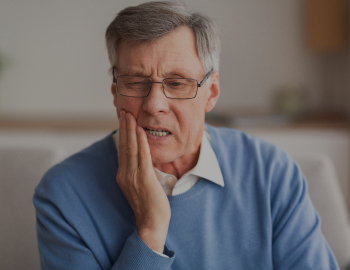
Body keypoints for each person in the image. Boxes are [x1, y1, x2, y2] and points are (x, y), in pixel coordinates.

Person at [33, 1, 340, 269]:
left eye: (177, 83)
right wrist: (151, 231)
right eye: (136, 82)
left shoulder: (272, 172)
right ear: (115, 93)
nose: (154, 105)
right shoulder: (63, 193)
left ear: (212, 92)